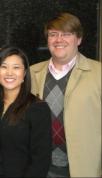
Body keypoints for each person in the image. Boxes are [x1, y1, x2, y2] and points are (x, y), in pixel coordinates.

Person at [30, 13, 101, 177]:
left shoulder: (99, 74)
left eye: (66, 34)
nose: (59, 39)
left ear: (79, 39)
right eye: (53, 34)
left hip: (85, 171)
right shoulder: (32, 73)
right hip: (41, 171)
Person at [0, 47, 52, 177]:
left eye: (16, 67)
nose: (9, 72)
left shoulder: (38, 109)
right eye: (4, 67)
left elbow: (41, 160)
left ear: (25, 72)